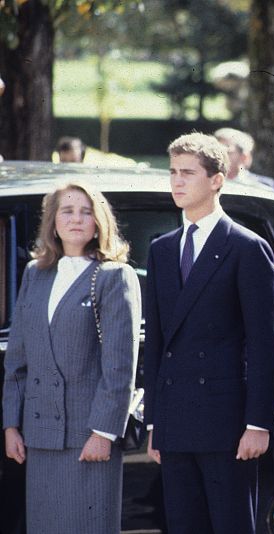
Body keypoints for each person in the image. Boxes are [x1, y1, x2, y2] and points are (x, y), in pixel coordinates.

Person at [143, 133, 274, 534]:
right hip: (175, 421)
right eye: (172, 172)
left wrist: (259, 422)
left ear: (217, 180)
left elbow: (266, 342)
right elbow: (156, 341)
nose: (177, 182)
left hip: (228, 423)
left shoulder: (245, 247)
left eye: (188, 173)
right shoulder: (162, 249)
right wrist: (155, 423)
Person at [3, 182, 140, 533]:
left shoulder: (113, 276)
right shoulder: (36, 273)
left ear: (99, 222)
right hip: (41, 433)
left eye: (86, 211)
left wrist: (103, 432)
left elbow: (119, 364)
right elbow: (17, 359)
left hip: (88, 436)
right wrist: (10, 424)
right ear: (52, 221)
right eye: (67, 210)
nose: (76, 219)